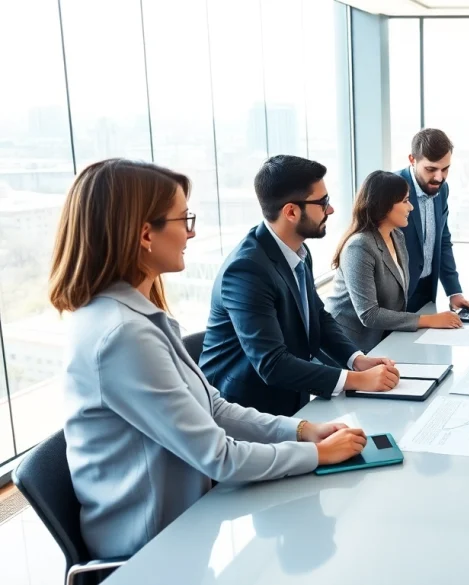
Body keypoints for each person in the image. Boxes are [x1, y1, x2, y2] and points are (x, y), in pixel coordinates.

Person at [53, 159, 369, 559]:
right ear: (145, 234)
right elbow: (219, 457)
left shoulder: (135, 317)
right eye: (183, 219)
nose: (192, 232)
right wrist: (317, 454)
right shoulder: (122, 335)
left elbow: (213, 408)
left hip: (191, 518)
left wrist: (303, 430)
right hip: (154, 551)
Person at [200, 155, 399, 417]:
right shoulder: (246, 270)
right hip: (244, 411)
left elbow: (317, 315)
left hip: (291, 399)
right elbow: (272, 364)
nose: (330, 210)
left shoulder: (298, 250)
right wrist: (357, 380)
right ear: (291, 212)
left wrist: (356, 360)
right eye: (323, 202)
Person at [325, 170, 463, 352]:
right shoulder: (359, 246)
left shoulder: (396, 236)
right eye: (405, 201)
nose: (411, 207)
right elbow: (369, 314)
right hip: (347, 346)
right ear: (384, 205)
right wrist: (429, 320)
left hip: (382, 340)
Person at [396, 128, 469, 313]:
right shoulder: (392, 188)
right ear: (412, 160)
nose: (439, 177)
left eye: (445, 169)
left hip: (426, 291)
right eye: (431, 169)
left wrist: (454, 292)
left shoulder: (442, 190)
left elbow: (442, 241)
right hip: (396, 296)